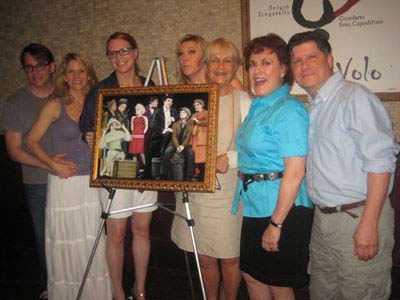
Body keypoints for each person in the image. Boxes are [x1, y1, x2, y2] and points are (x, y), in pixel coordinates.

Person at [288, 29, 400, 300]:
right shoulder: (317, 105)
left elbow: (381, 161)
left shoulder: (354, 98)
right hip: (324, 222)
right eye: (297, 61)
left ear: (329, 59)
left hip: (358, 218)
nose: (304, 66)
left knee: (362, 293)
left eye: (311, 57)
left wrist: (369, 223)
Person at [231, 34, 313, 300]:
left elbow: (296, 171)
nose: (257, 70)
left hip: (282, 209)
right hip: (256, 205)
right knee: (253, 277)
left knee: (278, 283)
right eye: (252, 64)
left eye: (266, 62)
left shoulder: (288, 109)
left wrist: (276, 224)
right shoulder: (259, 104)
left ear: (283, 69)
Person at [27, 53, 112, 300]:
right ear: (64, 76)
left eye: (81, 71)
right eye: (71, 71)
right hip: (64, 185)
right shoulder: (55, 104)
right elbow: (31, 141)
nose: (76, 76)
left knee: (92, 241)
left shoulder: (99, 102)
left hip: (92, 183)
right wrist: (52, 164)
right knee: (67, 241)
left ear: (89, 75)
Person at [79, 31, 157, 300]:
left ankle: (140, 287)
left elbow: (159, 129)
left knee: (142, 229)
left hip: (144, 172)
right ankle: (118, 292)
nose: (119, 57)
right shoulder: (101, 89)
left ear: (135, 52)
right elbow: (86, 126)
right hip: (112, 170)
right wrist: (90, 136)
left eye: (124, 50)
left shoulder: (150, 85)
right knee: (116, 233)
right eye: (113, 53)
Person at [171, 38, 251, 300]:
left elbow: (257, 148)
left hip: (227, 191)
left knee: (229, 256)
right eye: (214, 59)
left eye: (227, 60)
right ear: (206, 65)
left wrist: (231, 157)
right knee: (204, 256)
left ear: (236, 66)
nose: (220, 66)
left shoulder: (245, 101)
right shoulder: (194, 100)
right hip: (196, 190)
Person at [1, 43, 56, 299]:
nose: (36, 72)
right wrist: (50, 165)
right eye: (29, 67)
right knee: (45, 239)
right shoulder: (15, 102)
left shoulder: (69, 94)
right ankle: (52, 287)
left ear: (52, 67)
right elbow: (14, 150)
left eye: (41, 65)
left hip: (74, 181)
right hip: (38, 183)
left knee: (76, 233)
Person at [176, 34, 242, 89]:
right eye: (180, 54)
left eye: (191, 52)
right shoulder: (180, 91)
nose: (184, 58)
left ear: (205, 54)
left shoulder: (228, 81)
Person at [145, 95, 178, 178]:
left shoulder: (174, 111)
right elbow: (152, 124)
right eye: (168, 101)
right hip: (158, 135)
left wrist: (173, 118)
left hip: (169, 136)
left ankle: (163, 173)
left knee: (167, 143)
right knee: (150, 151)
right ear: (164, 102)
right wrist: (164, 130)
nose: (170, 103)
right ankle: (148, 174)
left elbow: (178, 117)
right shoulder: (158, 111)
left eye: (171, 101)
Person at [159, 107, 195, 181]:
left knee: (191, 153)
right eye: (181, 112)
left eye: (183, 113)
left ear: (187, 115)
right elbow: (174, 137)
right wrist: (178, 146)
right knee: (167, 151)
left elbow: (188, 138)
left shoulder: (190, 125)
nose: (181, 114)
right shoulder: (175, 124)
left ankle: (190, 176)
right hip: (174, 144)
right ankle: (163, 174)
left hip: (185, 145)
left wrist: (183, 146)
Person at [189, 98, 208, 180]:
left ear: (202, 105)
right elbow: (188, 123)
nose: (196, 106)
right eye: (195, 105)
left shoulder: (206, 112)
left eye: (198, 104)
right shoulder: (193, 115)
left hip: (202, 137)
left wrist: (198, 122)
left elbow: (208, 122)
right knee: (195, 156)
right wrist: (191, 121)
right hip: (194, 137)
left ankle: (202, 174)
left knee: (202, 156)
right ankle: (196, 173)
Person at [129, 103, 148, 172]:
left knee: (141, 152)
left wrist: (143, 133)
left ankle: (145, 167)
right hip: (134, 136)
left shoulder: (144, 117)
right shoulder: (133, 117)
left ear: (141, 110)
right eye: (136, 109)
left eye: (138, 109)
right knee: (134, 152)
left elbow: (146, 126)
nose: (136, 110)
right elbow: (131, 127)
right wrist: (133, 132)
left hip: (141, 136)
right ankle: (135, 168)